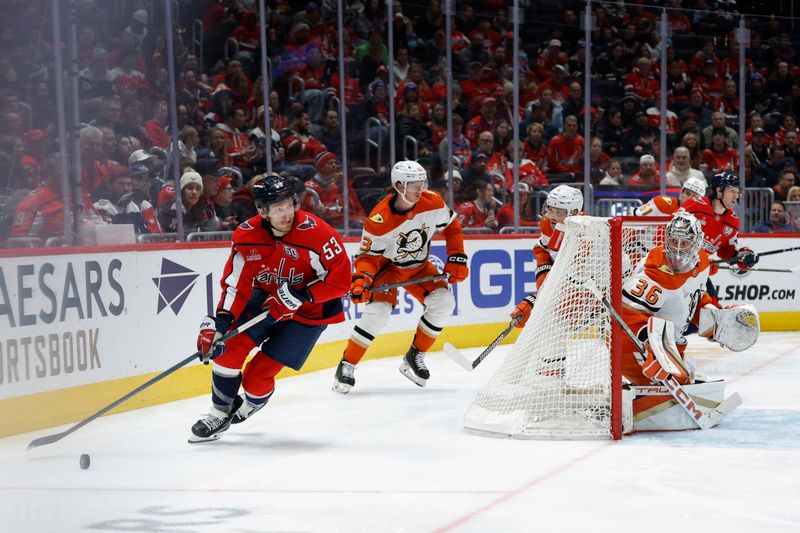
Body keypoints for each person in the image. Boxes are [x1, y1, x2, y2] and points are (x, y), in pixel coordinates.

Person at [190, 174, 351, 442]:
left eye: (289, 204)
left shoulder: (319, 234)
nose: (286, 213)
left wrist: (302, 295)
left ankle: (253, 403)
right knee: (227, 351)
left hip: (309, 313)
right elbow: (236, 285)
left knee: (256, 377)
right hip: (266, 300)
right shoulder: (245, 235)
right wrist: (220, 323)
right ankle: (219, 413)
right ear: (262, 211)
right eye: (278, 208)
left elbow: (341, 281)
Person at [333, 160, 468, 392]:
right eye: (412, 185)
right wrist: (361, 279)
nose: (419, 189)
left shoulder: (433, 201)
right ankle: (346, 364)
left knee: (443, 302)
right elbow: (367, 257)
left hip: (419, 266)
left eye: (421, 183)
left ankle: (414, 357)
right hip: (389, 268)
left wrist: (457, 255)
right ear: (398, 185)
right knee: (378, 313)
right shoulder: (380, 219)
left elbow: (452, 225)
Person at [509, 184, 584, 328]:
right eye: (550, 209)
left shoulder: (587, 232)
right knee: (551, 324)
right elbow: (544, 257)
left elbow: (575, 278)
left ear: (574, 212)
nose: (553, 217)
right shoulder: (547, 226)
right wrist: (541, 296)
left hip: (593, 294)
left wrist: (537, 301)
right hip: (566, 291)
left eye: (559, 212)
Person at [682, 171, 758, 276]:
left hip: (695, 272)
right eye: (732, 191)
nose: (736, 196)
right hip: (672, 265)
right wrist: (698, 260)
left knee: (711, 294)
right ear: (719, 191)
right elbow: (670, 232)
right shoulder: (695, 205)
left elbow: (726, 251)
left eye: (737, 192)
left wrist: (742, 256)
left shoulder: (733, 221)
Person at [634, 176, 707, 217]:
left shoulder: (703, 217)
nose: (690, 199)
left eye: (695, 197)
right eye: (687, 193)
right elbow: (634, 215)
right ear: (681, 192)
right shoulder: (661, 203)